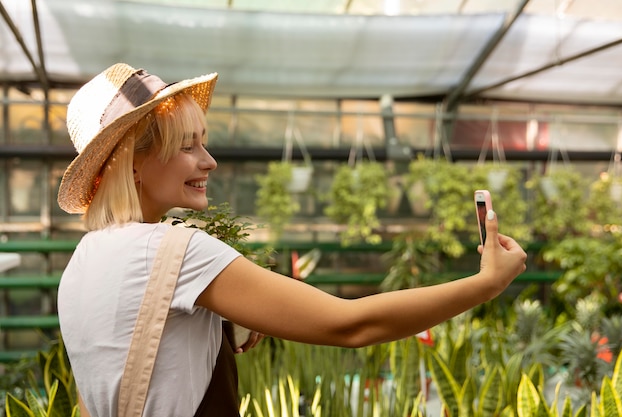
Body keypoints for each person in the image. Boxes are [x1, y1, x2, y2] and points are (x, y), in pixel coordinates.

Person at [56, 63, 527, 417]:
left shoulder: (81, 265)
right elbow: (351, 326)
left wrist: (218, 319)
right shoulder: (177, 251)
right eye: (188, 145)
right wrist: (485, 284)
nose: (209, 160)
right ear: (131, 164)